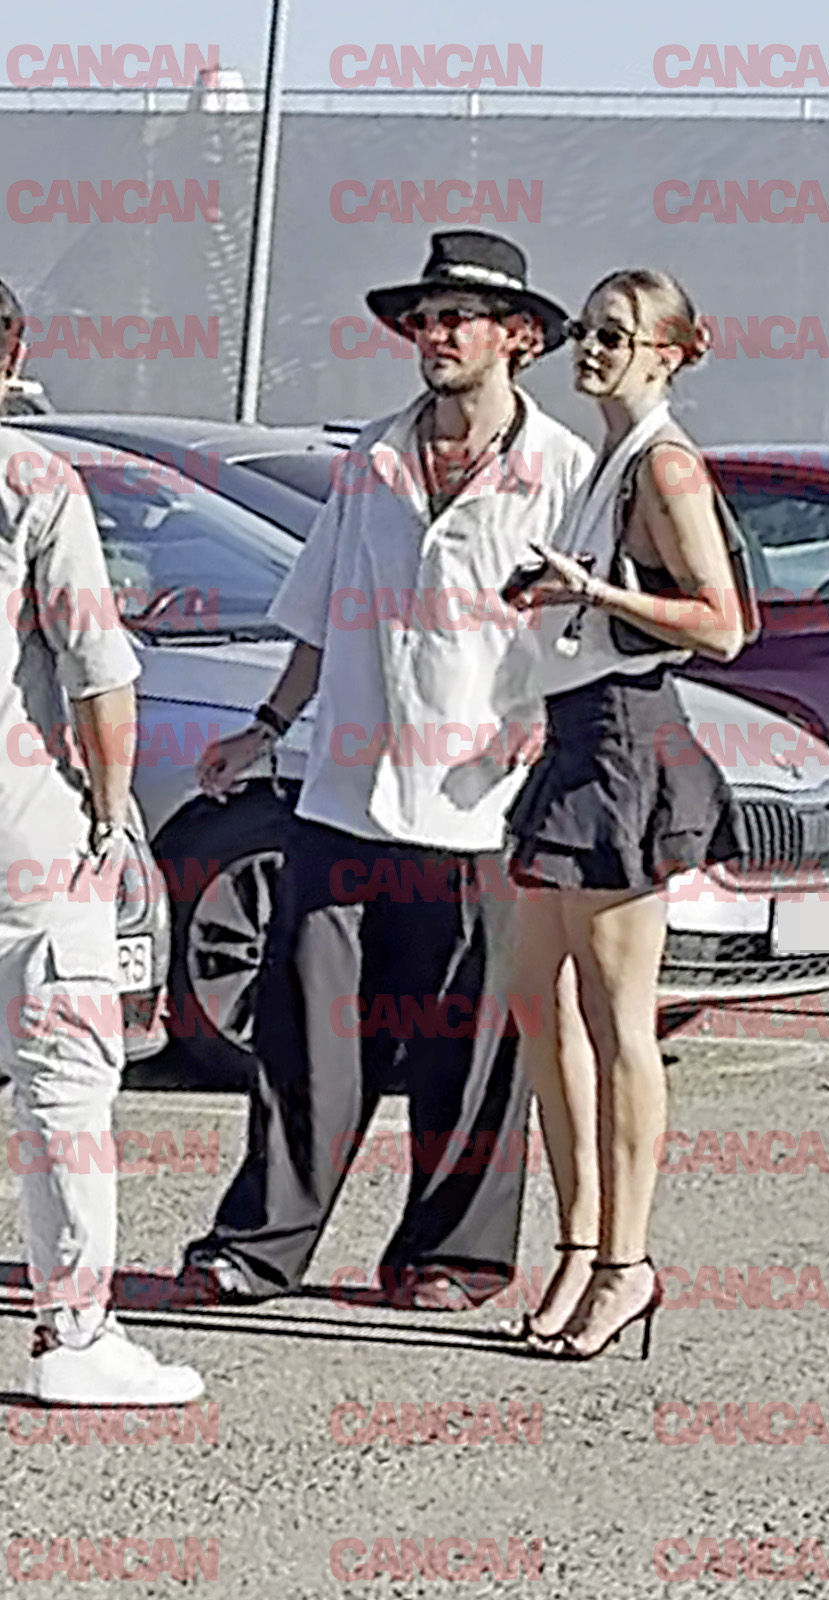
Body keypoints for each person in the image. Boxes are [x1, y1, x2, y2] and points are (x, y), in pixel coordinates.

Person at [181, 232, 593, 1310]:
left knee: (472, 1049)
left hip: (482, 805)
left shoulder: (564, 470)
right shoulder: (371, 457)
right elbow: (320, 612)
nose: (434, 334)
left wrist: (550, 728)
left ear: (519, 337)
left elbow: (586, 632)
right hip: (346, 797)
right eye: (425, 318)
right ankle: (258, 1246)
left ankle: (452, 1257)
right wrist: (266, 725)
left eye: (458, 317)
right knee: (306, 1038)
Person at [505, 269, 749, 1360]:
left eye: (615, 334)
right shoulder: (605, 459)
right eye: (585, 331)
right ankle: (578, 1242)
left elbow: (722, 625)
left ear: (669, 351)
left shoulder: (665, 462)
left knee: (618, 1024)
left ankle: (627, 1263)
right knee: (538, 1001)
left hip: (623, 743)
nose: (591, 349)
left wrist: (596, 595)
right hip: (571, 737)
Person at [0, 278, 203, 1403]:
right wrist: (112, 810)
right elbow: (96, 673)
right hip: (27, 832)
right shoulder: (34, 481)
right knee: (65, 1078)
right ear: (13, 357)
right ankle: (73, 1332)